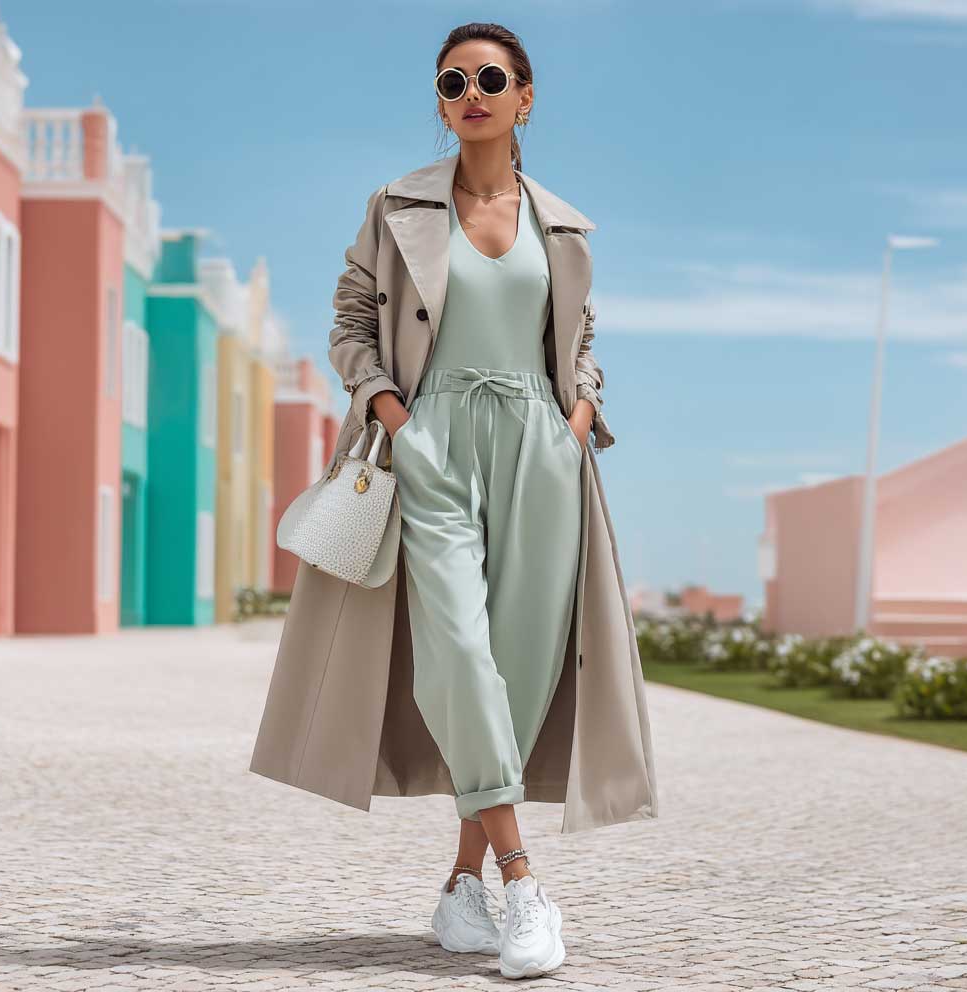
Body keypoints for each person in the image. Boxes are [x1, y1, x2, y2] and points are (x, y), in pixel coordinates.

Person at [249, 19, 659, 984]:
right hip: (431, 446)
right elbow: (352, 321)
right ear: (440, 102)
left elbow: (580, 337)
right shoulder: (396, 206)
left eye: (489, 79)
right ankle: (523, 885)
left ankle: (460, 887)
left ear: (525, 98)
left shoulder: (563, 228)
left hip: (541, 453)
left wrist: (578, 414)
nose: (470, 94)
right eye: (452, 82)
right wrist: (394, 414)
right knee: (458, 655)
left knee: (515, 673)